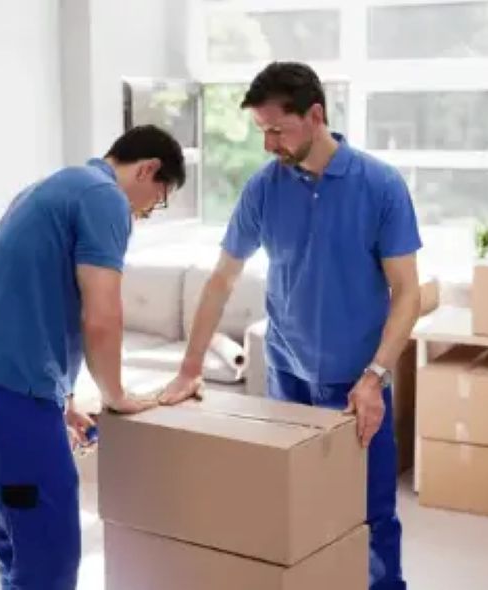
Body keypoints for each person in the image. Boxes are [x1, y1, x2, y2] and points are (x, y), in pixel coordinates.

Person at [161, 62, 422, 590]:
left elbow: (408, 292)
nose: (268, 144)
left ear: (316, 115)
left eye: (277, 130)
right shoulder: (264, 189)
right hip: (288, 378)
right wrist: (190, 368)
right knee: (296, 517)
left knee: (371, 517)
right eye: (262, 132)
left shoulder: (379, 185)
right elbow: (220, 281)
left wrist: (375, 375)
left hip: (358, 385)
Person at [0, 125, 185, 589]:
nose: (148, 210)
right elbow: (102, 315)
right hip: (9, 393)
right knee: (50, 554)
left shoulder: (49, 189)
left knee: (20, 538)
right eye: (157, 199)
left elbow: (21, 296)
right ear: (149, 169)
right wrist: (117, 396)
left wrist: (61, 398)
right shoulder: (105, 198)